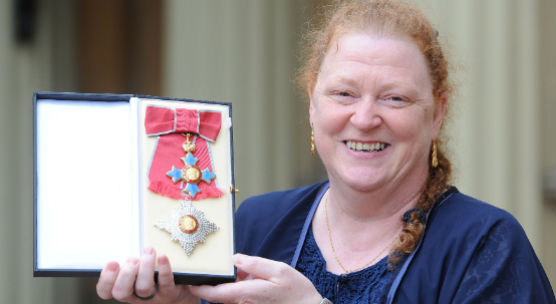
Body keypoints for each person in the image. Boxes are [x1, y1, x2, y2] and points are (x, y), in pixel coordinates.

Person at [96, 1, 555, 303]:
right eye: (344, 94)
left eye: (394, 98)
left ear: (436, 113)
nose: (365, 117)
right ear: (312, 103)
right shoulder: (256, 225)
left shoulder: (486, 247)